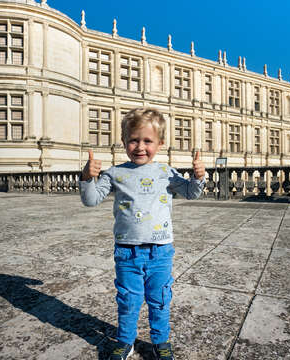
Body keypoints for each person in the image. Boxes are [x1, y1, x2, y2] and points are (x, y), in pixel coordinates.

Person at [80, 108, 205, 360]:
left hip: (161, 251)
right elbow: (91, 200)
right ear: (124, 142)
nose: (140, 146)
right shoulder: (114, 173)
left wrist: (199, 176)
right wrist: (86, 177)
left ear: (160, 144)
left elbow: (192, 193)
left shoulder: (166, 172)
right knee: (128, 301)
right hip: (127, 251)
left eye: (147, 141)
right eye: (133, 140)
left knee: (160, 300)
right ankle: (125, 341)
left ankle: (160, 341)